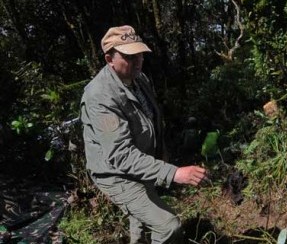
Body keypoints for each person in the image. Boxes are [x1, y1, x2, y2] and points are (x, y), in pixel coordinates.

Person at [80, 25, 207, 243]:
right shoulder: (99, 96)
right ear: (110, 59)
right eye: (129, 56)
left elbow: (152, 121)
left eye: (139, 54)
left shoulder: (140, 79)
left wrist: (160, 158)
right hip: (115, 173)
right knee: (168, 226)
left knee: (141, 221)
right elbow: (120, 155)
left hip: (141, 162)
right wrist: (173, 173)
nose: (138, 60)